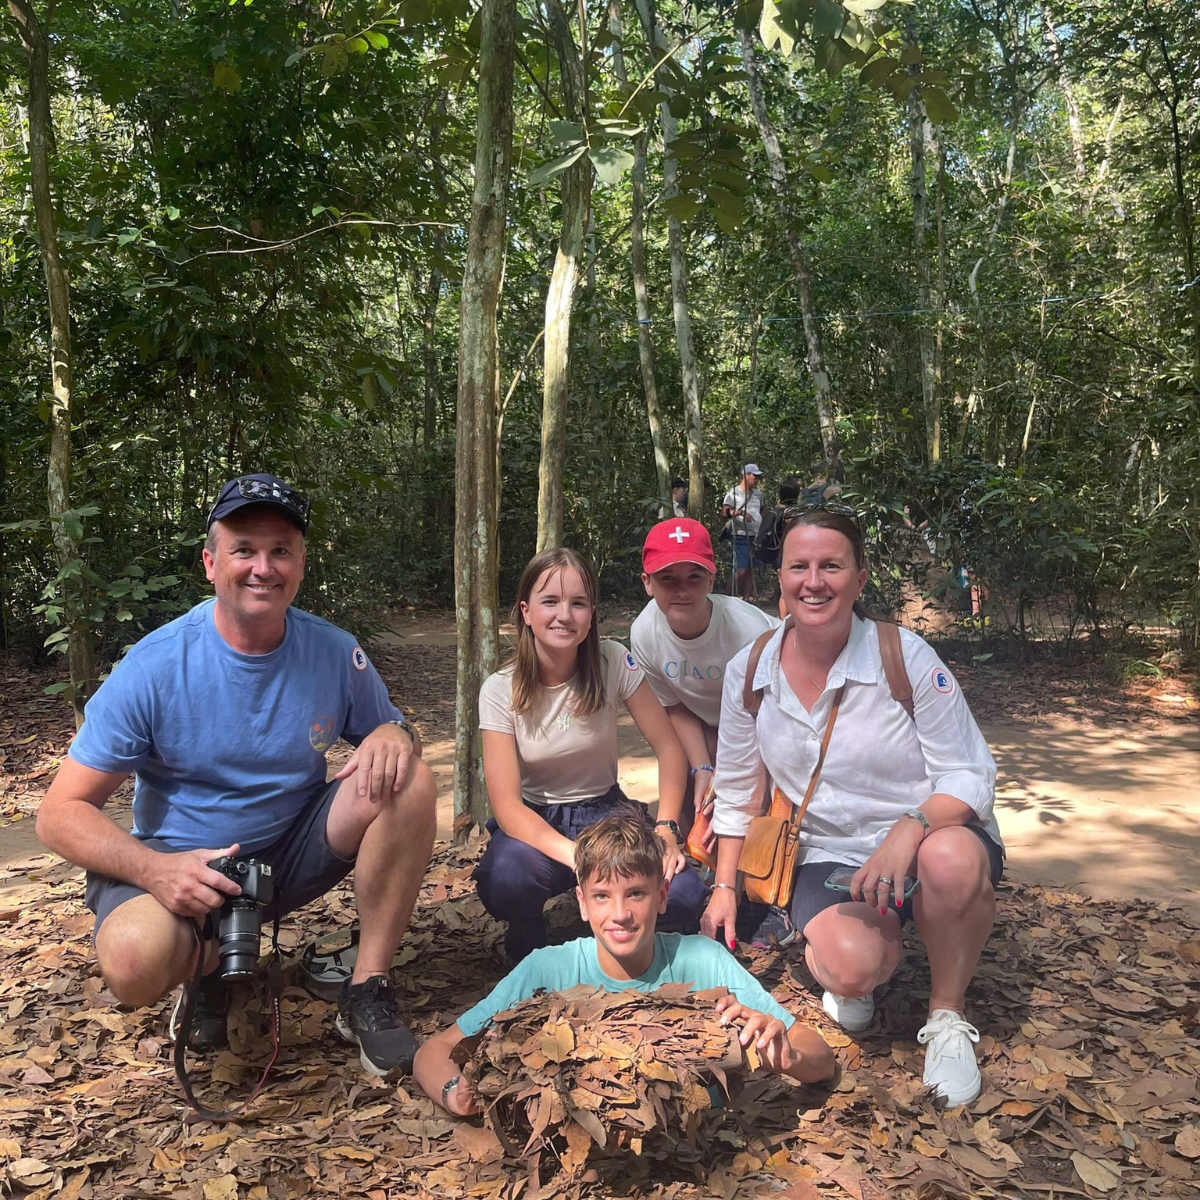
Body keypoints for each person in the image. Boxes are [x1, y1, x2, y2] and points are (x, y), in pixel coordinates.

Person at [36, 474, 436, 1077]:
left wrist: (396, 732)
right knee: (131, 963)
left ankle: (366, 987)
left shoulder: (332, 651)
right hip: (181, 867)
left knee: (409, 779)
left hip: (286, 855)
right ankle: (210, 970)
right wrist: (155, 869)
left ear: (300, 565)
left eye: (281, 550)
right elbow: (58, 812)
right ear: (210, 562)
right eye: (244, 549)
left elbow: (398, 734)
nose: (263, 567)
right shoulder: (155, 666)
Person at [700, 503, 1004, 1107]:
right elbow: (735, 792)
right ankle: (863, 966)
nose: (814, 582)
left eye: (832, 566)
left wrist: (911, 826)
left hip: (931, 837)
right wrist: (726, 886)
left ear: (860, 578)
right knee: (852, 967)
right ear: (780, 579)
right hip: (829, 850)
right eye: (799, 567)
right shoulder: (751, 668)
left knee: (948, 860)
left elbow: (972, 773)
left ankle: (946, 1016)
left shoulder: (904, 656)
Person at [415, 813, 836, 1114]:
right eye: (602, 895)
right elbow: (433, 1051)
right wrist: (455, 1091)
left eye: (635, 893)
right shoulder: (547, 971)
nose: (619, 913)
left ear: (663, 896)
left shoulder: (700, 960)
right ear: (581, 902)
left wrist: (786, 1056)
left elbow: (821, 1057)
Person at [472, 547, 706, 964]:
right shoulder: (499, 688)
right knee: (506, 881)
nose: (565, 615)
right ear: (526, 611)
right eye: (550, 601)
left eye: (578, 603)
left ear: (592, 613)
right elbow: (506, 806)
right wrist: (578, 856)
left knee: (684, 895)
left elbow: (669, 748)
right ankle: (529, 929)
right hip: (536, 818)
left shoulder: (612, 660)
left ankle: (615, 929)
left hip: (605, 811)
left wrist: (668, 829)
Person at [754, 479, 801, 619]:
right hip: (794, 556)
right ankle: (785, 624)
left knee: (785, 591)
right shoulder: (798, 514)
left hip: (779, 556)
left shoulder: (773, 513)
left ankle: (784, 623)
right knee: (787, 592)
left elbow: (761, 536)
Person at [721, 464, 764, 603]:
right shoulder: (733, 493)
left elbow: (761, 511)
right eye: (754, 476)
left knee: (751, 569)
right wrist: (739, 513)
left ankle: (746, 600)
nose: (757, 479)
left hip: (756, 535)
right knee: (740, 570)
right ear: (745, 475)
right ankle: (726, 599)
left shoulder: (758, 494)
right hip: (740, 535)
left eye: (758, 477)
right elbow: (725, 512)